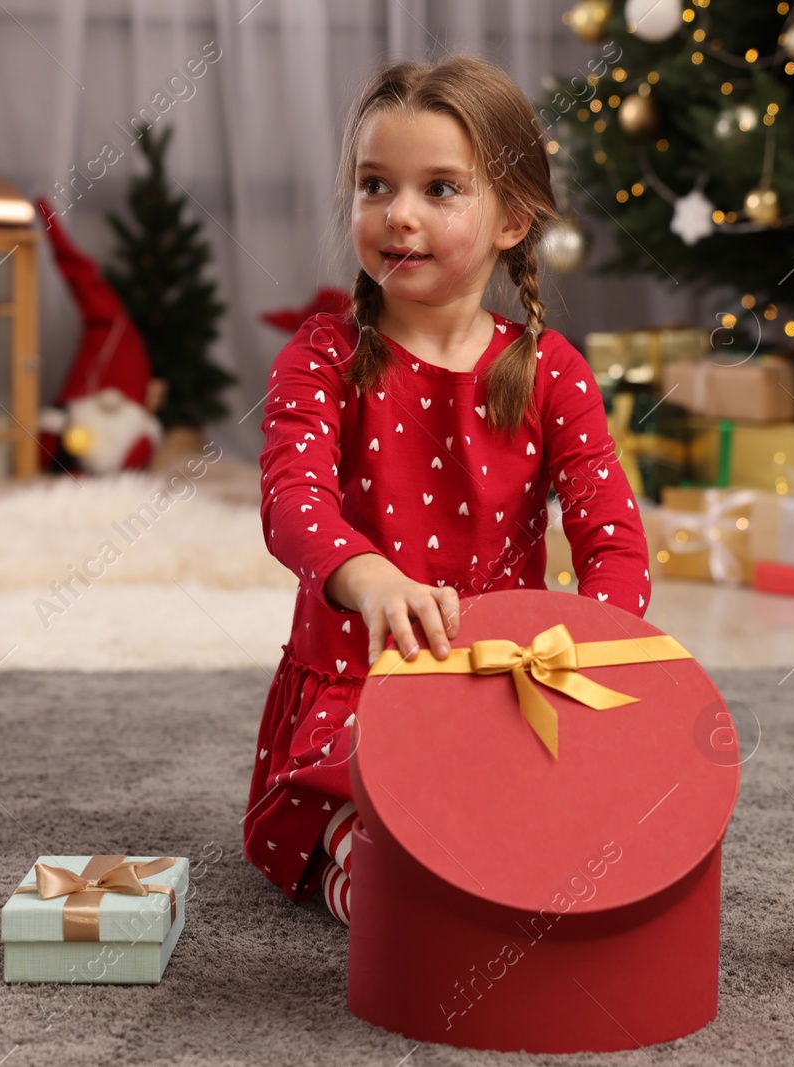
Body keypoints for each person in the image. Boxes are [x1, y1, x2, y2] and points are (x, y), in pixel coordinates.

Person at [243, 56, 651, 926]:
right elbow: (292, 502)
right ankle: (395, 889)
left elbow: (611, 537)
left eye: (440, 189)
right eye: (375, 185)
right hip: (361, 686)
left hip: (506, 689)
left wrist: (593, 646)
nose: (399, 215)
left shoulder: (550, 371)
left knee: (586, 815)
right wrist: (371, 577)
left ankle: (490, 868)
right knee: (387, 817)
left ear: (514, 218)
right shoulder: (322, 357)